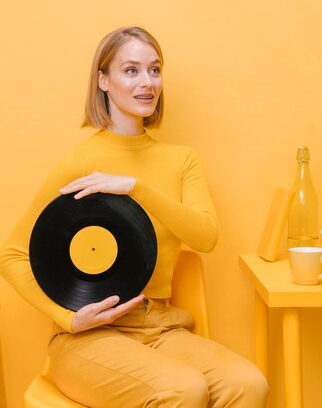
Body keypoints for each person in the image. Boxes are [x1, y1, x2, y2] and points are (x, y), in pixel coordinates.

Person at [0, 26, 268, 408]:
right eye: (131, 71)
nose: (147, 83)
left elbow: (206, 237)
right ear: (103, 81)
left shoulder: (182, 160)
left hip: (162, 327)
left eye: (154, 70)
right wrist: (67, 318)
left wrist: (136, 188)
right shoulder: (81, 162)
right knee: (182, 388)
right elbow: (11, 255)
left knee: (248, 383)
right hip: (89, 339)